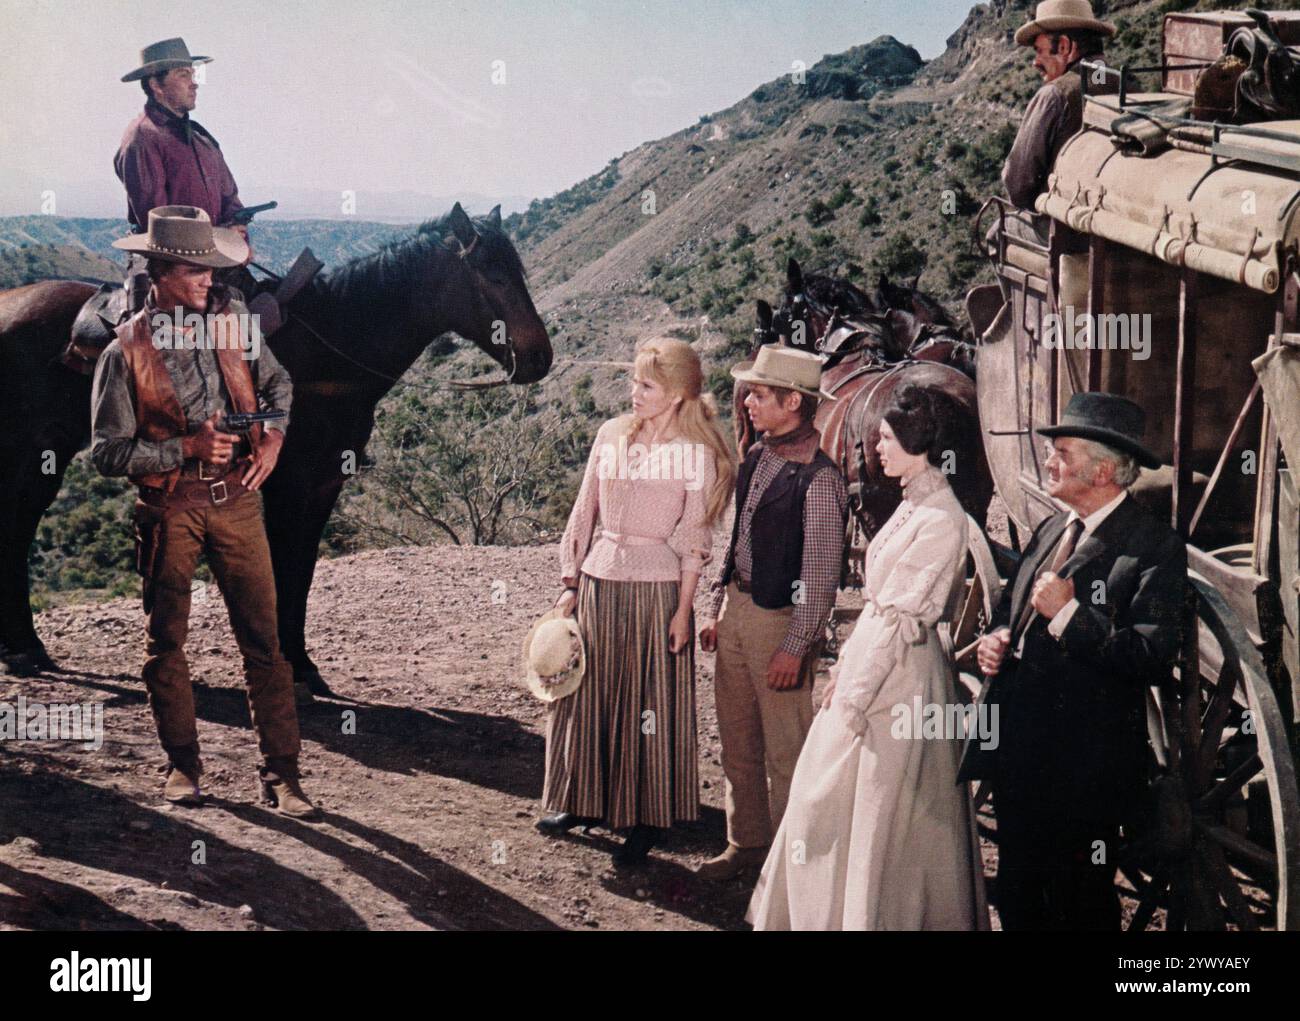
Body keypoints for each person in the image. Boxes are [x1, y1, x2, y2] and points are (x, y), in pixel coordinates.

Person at [89, 206, 316, 818]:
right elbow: (106, 452)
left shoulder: (233, 321)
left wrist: (271, 438)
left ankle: (282, 775)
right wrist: (183, 447)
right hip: (170, 510)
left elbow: (278, 387)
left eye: (211, 269)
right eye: (195, 270)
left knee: (266, 644)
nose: (208, 281)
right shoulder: (124, 351)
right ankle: (182, 765)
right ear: (161, 271)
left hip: (238, 501)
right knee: (166, 643)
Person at [747, 384, 982, 930]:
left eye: (886, 438)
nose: (876, 448)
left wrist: (852, 699)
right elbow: (879, 609)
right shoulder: (915, 500)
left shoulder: (942, 519)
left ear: (917, 442)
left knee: (871, 811)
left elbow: (899, 621)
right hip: (877, 661)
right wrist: (844, 670)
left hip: (899, 681)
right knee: (828, 804)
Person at [961, 392, 1186, 930]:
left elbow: (1152, 658)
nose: (1050, 462)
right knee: (1018, 894)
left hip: (1087, 773)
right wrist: (997, 640)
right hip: (1019, 754)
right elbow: (1007, 605)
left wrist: (1071, 617)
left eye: (1062, 452)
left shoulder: (1152, 548)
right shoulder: (1052, 529)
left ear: (1103, 470)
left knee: (1080, 901)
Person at [538, 338, 735, 866]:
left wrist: (683, 610)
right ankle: (582, 802)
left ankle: (646, 817)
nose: (633, 393)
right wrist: (569, 581)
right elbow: (584, 512)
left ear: (674, 395)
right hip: (599, 581)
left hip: (657, 591)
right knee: (587, 692)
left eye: (645, 385)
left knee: (647, 704)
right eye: (633, 382)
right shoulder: (609, 436)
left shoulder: (695, 455)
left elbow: (695, 539)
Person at [695, 346, 847, 883]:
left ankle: (790, 868)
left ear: (792, 402)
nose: (748, 402)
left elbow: (823, 571)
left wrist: (797, 643)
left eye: (759, 394)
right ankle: (746, 844)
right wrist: (718, 607)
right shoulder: (759, 457)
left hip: (779, 622)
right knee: (737, 741)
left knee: (786, 752)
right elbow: (738, 540)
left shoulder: (821, 479)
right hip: (739, 610)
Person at [116, 38, 254, 312]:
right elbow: (159, 224)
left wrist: (239, 239)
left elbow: (231, 201)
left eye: (193, 74)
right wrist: (217, 236)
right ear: (156, 85)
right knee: (168, 342)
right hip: (168, 270)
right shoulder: (142, 138)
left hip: (214, 260)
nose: (194, 83)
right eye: (183, 75)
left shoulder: (202, 139)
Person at [1003, 0, 1116, 213]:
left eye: (1039, 50)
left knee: (998, 231)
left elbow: (1017, 184)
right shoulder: (1131, 87)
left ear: (1064, 46)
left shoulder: (1054, 95)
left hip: (1066, 227)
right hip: (1119, 227)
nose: (1035, 62)